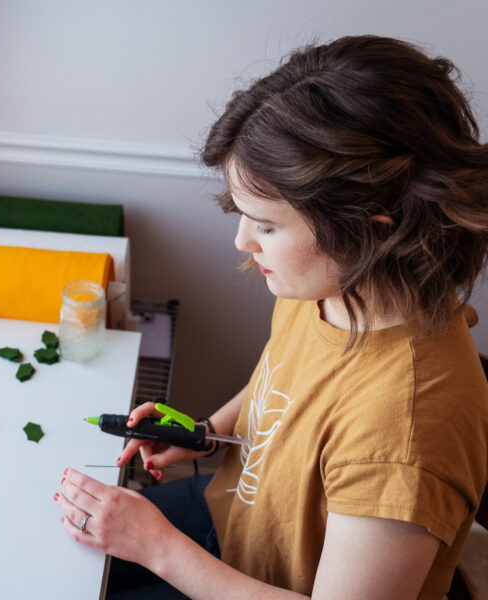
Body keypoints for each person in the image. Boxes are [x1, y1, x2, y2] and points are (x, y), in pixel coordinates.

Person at [53, 35, 488, 599]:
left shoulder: (403, 436)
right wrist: (210, 433)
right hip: (235, 517)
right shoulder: (329, 288)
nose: (242, 242)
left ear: (371, 222)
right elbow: (282, 380)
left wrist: (157, 547)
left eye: (265, 226)